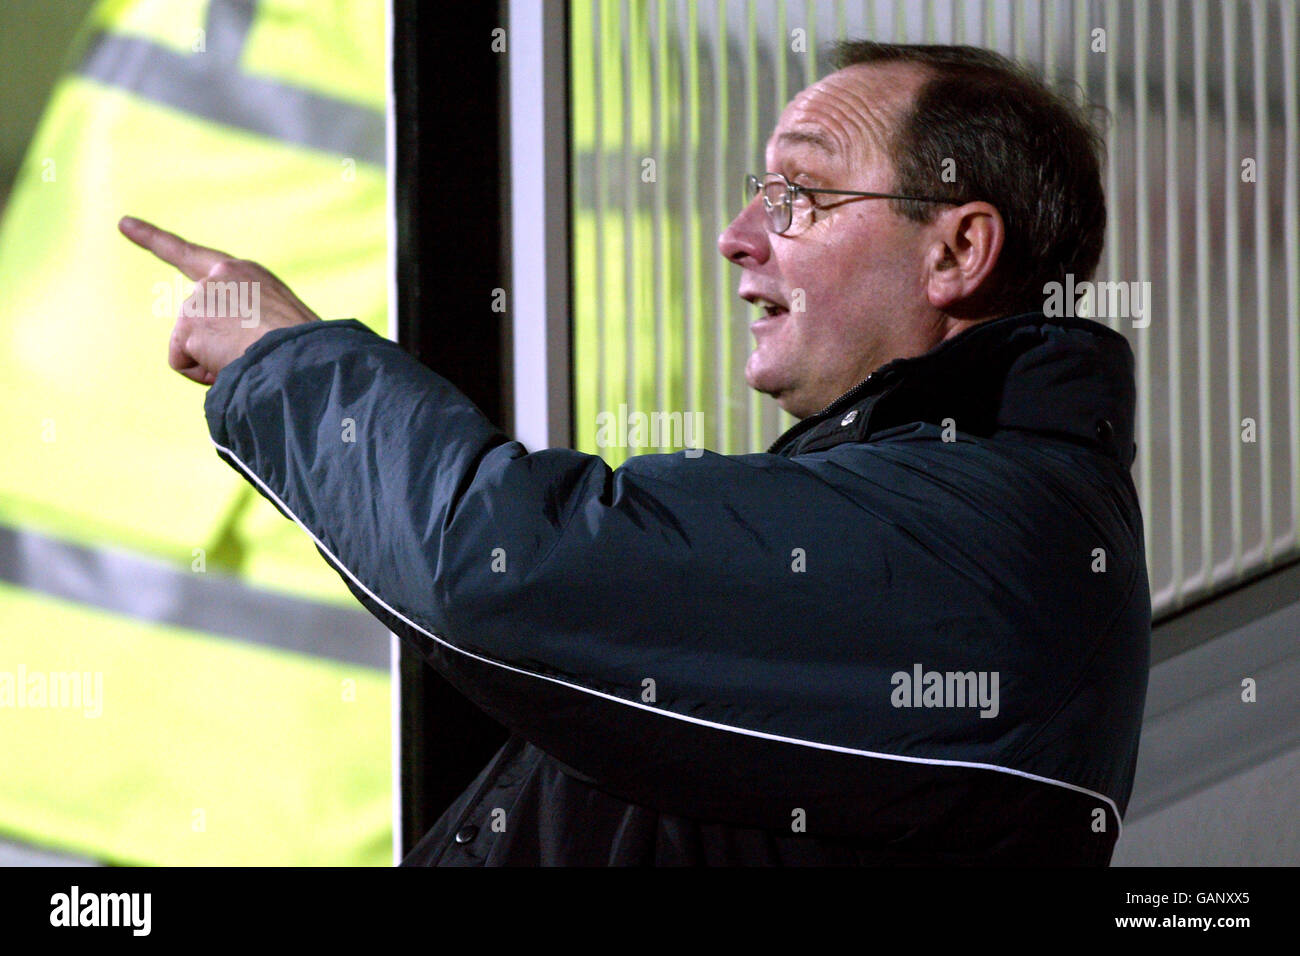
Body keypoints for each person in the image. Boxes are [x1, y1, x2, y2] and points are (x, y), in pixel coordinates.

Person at [118, 41, 1150, 866]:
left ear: (957, 250)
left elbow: (505, 567)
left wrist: (286, 362)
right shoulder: (950, 503)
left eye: (801, 194)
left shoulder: (986, 536)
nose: (738, 233)